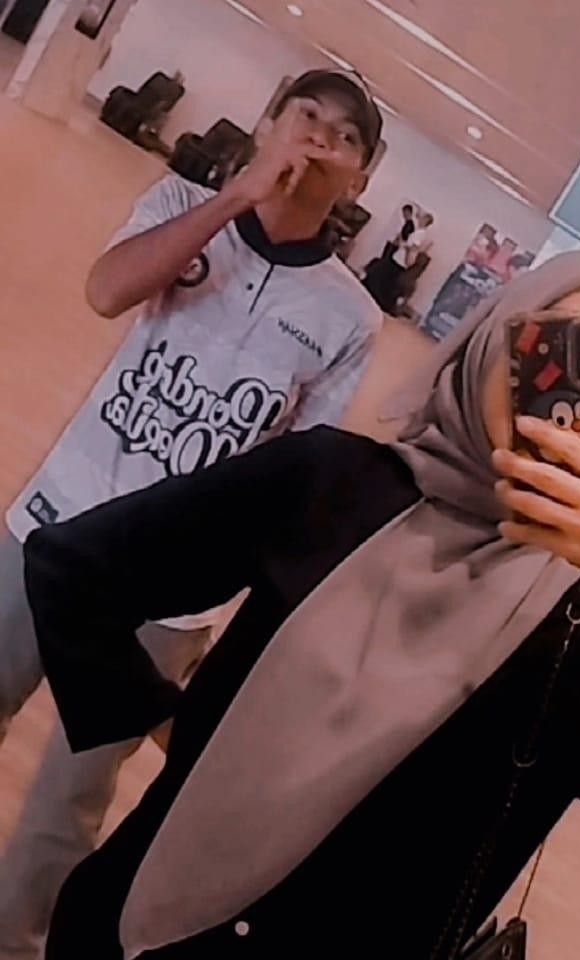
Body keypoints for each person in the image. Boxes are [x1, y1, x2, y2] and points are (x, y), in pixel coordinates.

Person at [29, 251, 580, 959]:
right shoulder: (330, 482)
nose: (575, 401)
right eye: (564, 351)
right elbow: (74, 569)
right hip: (133, 934)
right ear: (492, 340)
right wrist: (169, 722)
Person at [0, 69, 383, 959]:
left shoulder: (351, 317)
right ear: (267, 122)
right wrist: (238, 196)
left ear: (359, 180)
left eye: (346, 137)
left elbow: (297, 477)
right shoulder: (179, 203)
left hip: (170, 596)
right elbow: (108, 289)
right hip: (53, 524)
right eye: (306, 115)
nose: (320, 139)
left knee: (70, 802)